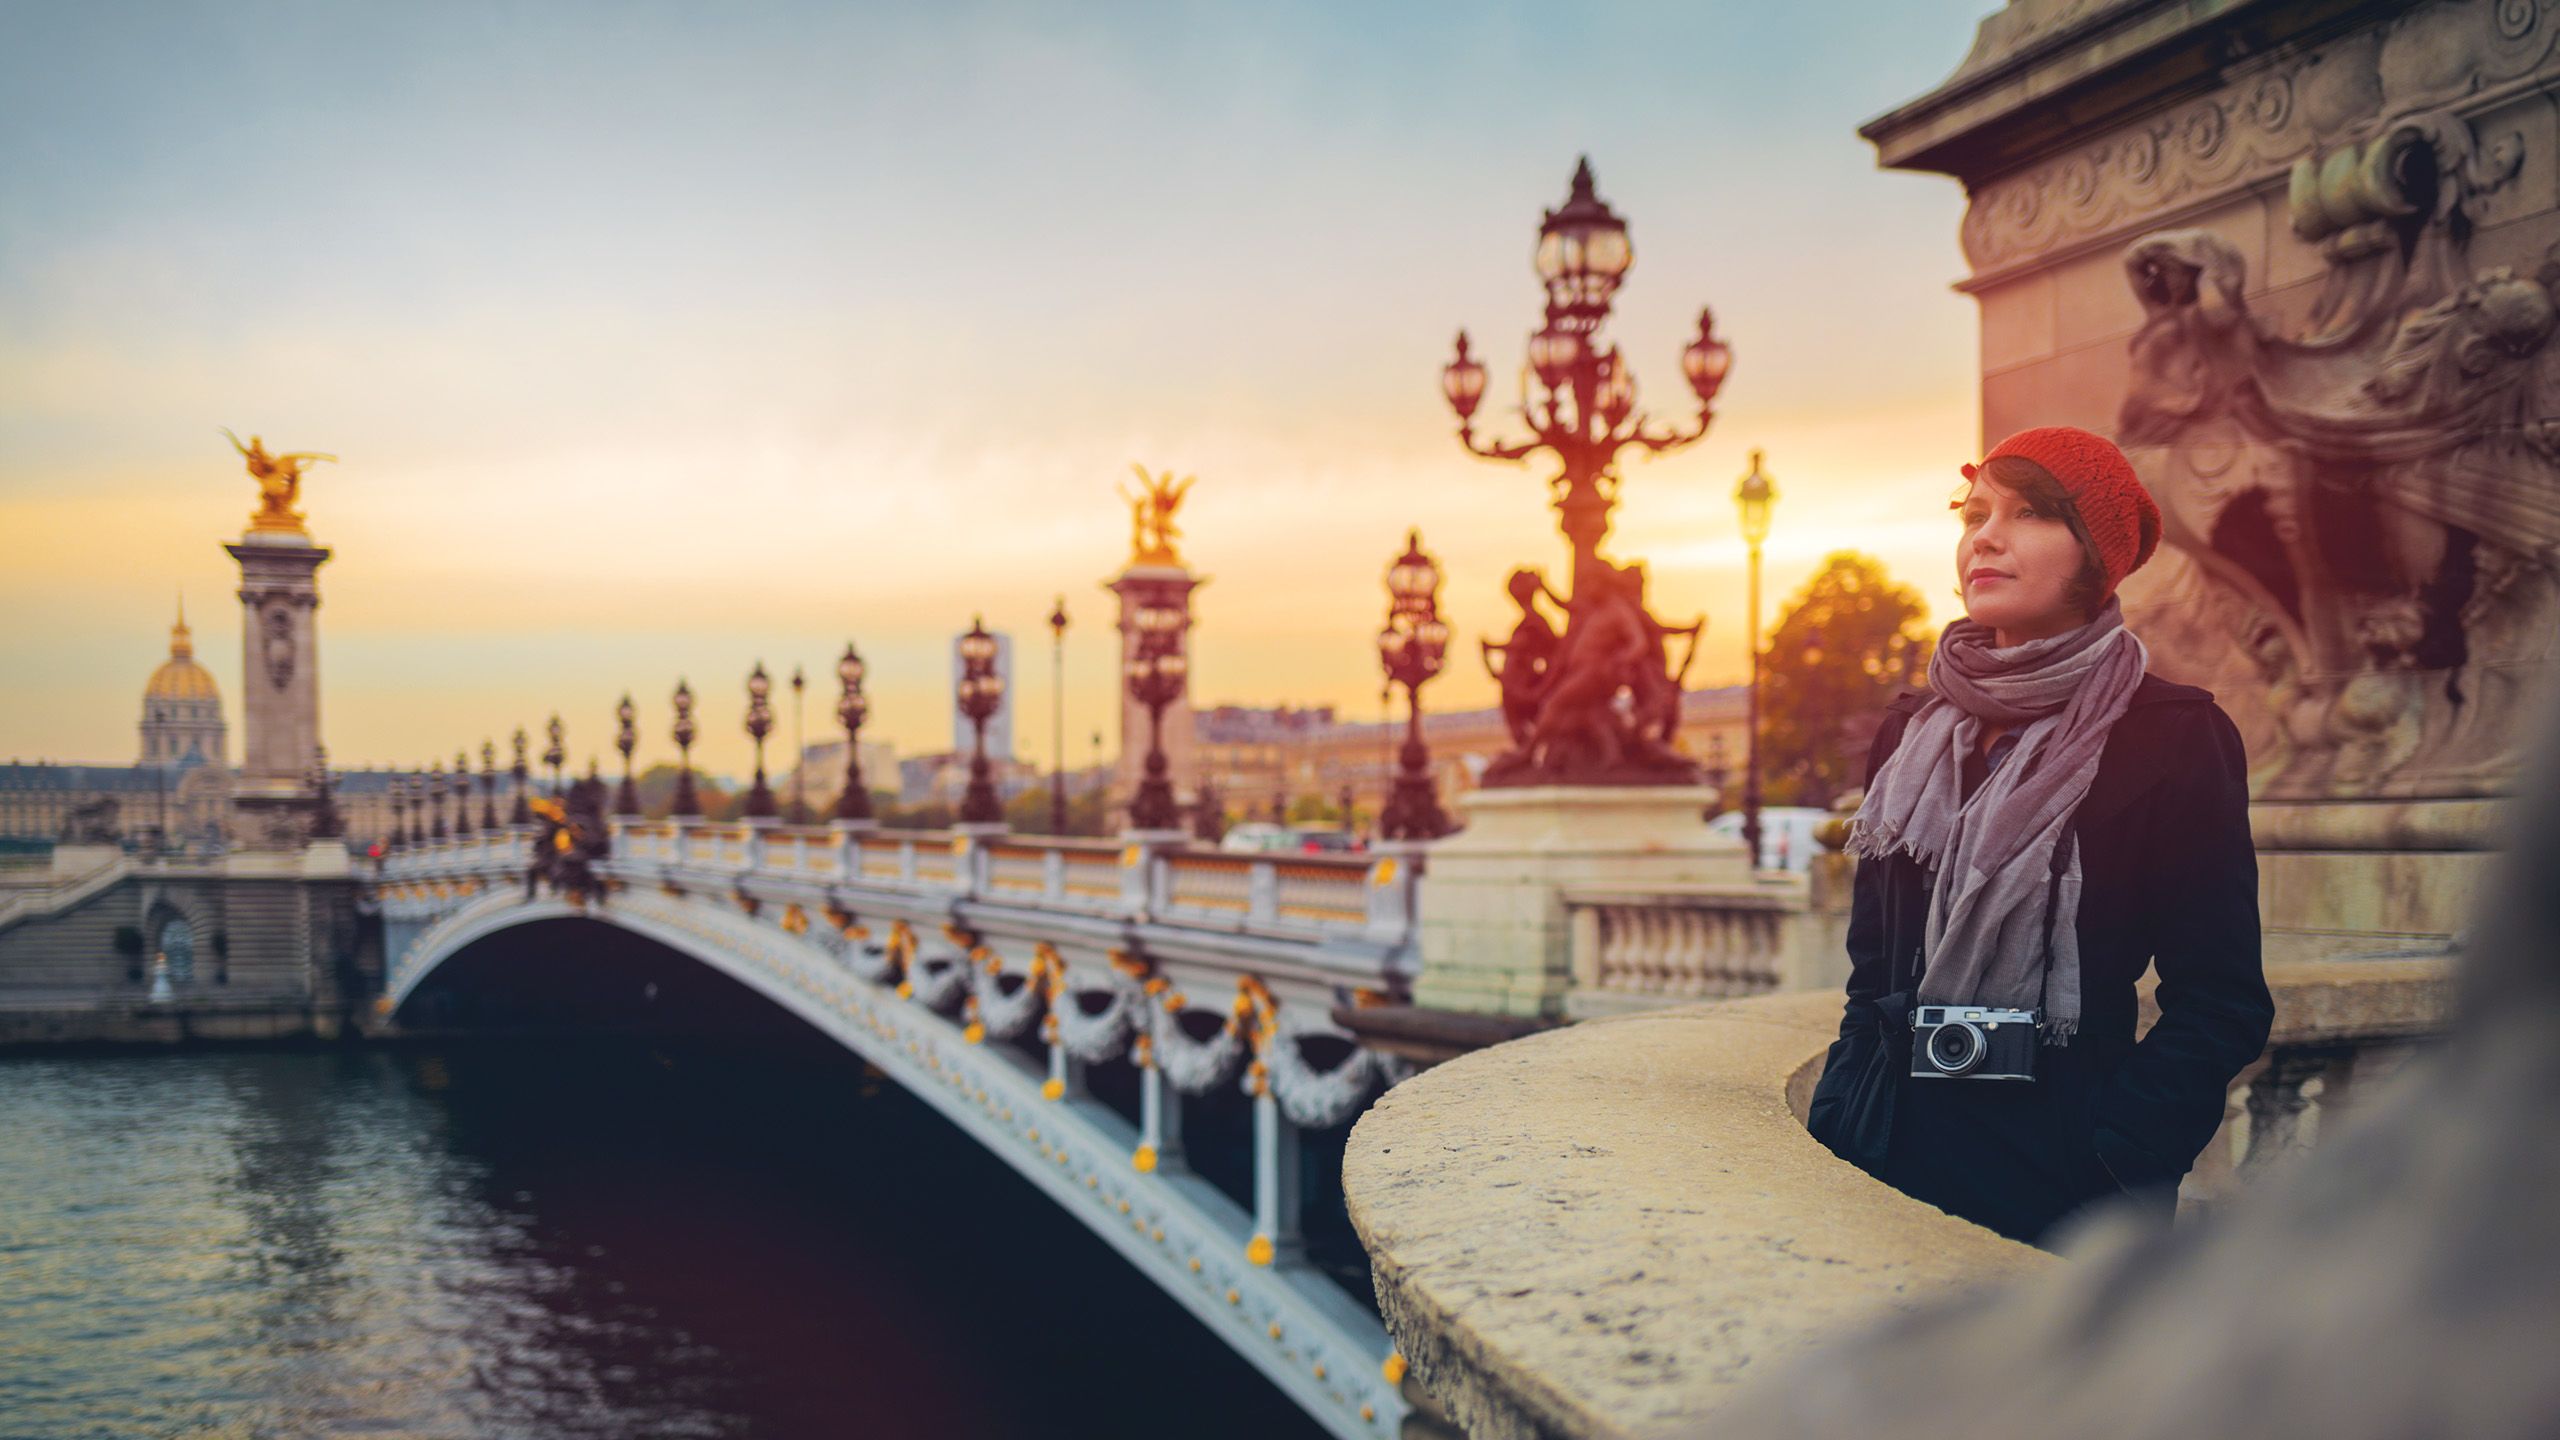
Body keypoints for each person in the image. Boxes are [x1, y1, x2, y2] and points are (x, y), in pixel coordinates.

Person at [1805, 425, 2273, 1249]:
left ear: (2096, 552)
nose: (1984, 536)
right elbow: (1872, 972)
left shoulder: (2172, 734)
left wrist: (2119, 1152)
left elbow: (2221, 1001)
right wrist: (1844, 1108)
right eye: (1974, 513)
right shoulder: (1912, 729)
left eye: (2027, 514)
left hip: (2061, 1173)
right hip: (1883, 1151)